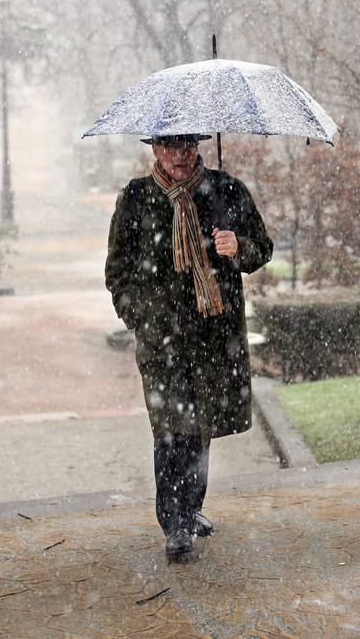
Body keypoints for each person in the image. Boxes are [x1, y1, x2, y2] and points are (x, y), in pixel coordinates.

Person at [105, 133, 273, 560]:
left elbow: (262, 248)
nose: (180, 154)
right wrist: (141, 318)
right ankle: (175, 522)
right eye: (170, 146)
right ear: (154, 150)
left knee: (200, 429)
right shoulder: (137, 199)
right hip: (162, 343)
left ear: (198, 145)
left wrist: (238, 248)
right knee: (170, 429)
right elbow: (117, 272)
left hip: (214, 338)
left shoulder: (226, 191)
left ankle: (192, 507)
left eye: (186, 145)